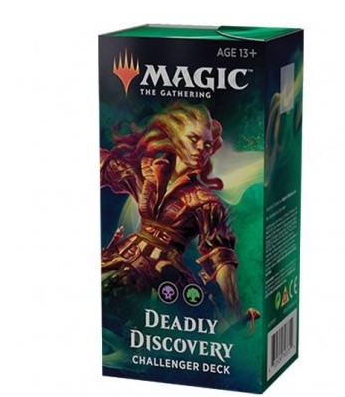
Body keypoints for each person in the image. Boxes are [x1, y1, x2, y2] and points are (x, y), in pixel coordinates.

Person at [100, 101, 258, 330]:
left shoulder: (205, 201)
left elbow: (221, 257)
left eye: (207, 145)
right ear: (174, 137)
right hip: (121, 258)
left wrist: (234, 312)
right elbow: (108, 166)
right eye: (194, 139)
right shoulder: (146, 172)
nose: (201, 148)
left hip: (165, 276)